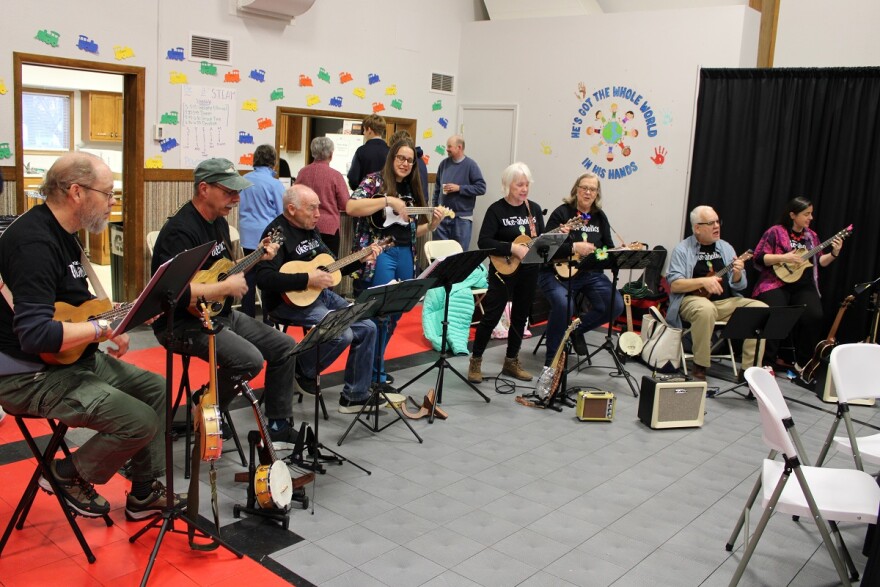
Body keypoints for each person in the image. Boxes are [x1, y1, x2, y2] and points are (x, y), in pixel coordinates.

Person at [0, 152, 177, 520]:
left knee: (157, 390)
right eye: (108, 193)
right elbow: (35, 334)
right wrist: (100, 329)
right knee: (139, 420)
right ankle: (68, 474)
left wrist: (118, 318)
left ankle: (143, 492)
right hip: (28, 375)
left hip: (71, 359)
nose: (113, 202)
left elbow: (75, 308)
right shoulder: (34, 244)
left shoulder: (65, 235)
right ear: (76, 192)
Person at [150, 158, 299, 443]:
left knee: (285, 346)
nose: (237, 199)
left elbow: (222, 272)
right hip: (182, 323)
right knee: (250, 360)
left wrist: (257, 256)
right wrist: (224, 287)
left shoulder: (217, 222)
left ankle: (277, 425)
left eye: (237, 192)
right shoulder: (180, 231)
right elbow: (171, 293)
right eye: (229, 192)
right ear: (204, 189)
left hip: (219, 314)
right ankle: (208, 403)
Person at [255, 185, 383, 413]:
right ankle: (300, 370)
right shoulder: (276, 234)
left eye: (319, 208)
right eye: (312, 208)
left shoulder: (310, 229)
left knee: (367, 326)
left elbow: (332, 267)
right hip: (286, 303)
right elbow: (264, 279)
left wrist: (360, 260)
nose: (318, 215)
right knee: (341, 333)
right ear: (292, 209)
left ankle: (355, 396)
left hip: (318, 295)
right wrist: (307, 279)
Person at [346, 138, 443, 385]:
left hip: (405, 254)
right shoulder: (374, 181)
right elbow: (351, 207)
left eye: (410, 160)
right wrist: (388, 200)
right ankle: (372, 372)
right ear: (392, 158)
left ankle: (376, 365)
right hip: (381, 253)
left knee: (397, 312)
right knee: (379, 312)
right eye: (401, 158)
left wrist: (432, 225)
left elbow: (410, 231)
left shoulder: (412, 188)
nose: (405, 163)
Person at [666, 205, 766, 382]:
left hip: (724, 303)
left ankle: (749, 372)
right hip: (691, 301)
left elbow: (740, 286)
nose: (717, 226)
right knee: (706, 309)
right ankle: (700, 365)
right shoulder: (682, 249)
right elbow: (675, 285)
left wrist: (737, 273)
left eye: (718, 222)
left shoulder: (725, 248)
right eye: (711, 223)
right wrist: (703, 281)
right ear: (697, 228)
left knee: (761, 309)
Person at [468, 162, 544, 384]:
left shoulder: (534, 210)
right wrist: (512, 248)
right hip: (503, 270)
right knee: (491, 316)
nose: (524, 189)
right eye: (519, 184)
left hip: (529, 270)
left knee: (521, 316)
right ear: (507, 185)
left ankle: (511, 360)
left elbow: (540, 240)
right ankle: (476, 360)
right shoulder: (496, 210)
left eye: (527, 184)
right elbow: (484, 241)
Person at [537, 172, 624, 365]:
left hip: (589, 273)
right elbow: (544, 248)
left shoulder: (600, 217)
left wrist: (612, 253)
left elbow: (607, 249)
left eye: (592, 189)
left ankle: (574, 332)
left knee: (615, 304)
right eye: (584, 188)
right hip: (555, 273)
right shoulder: (562, 213)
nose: (588, 192)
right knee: (564, 305)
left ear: (597, 193)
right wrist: (574, 248)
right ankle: (552, 361)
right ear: (576, 190)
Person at [752, 197, 844, 370]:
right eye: (806, 214)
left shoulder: (811, 237)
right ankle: (768, 363)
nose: (811, 218)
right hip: (775, 281)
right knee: (777, 312)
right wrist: (783, 257)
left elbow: (820, 261)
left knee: (814, 315)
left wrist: (834, 253)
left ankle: (803, 363)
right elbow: (759, 257)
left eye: (811, 214)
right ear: (793, 215)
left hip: (802, 284)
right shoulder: (776, 231)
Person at [238, 144, 284, 319]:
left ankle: (246, 317)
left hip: (247, 234)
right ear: (274, 161)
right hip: (266, 236)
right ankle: (268, 317)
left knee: (248, 276)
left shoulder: (244, 180)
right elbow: (282, 213)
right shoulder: (274, 184)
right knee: (267, 276)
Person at [295, 137, 350, 257]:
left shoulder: (302, 172)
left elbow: (295, 197)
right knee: (329, 264)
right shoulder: (335, 175)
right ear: (331, 154)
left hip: (304, 225)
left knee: (305, 263)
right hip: (329, 229)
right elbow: (345, 204)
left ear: (312, 152)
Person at [433, 135, 486, 251]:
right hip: (442, 217)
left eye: (449, 147)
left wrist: (460, 188)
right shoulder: (443, 164)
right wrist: (435, 208)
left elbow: (481, 188)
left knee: (459, 254)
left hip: (462, 220)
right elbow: (437, 189)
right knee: (439, 254)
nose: (447, 149)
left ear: (459, 147)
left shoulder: (471, 165)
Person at [346, 114, 388, 190]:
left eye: (364, 130)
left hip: (365, 195)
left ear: (369, 130)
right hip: (386, 195)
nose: (364, 133)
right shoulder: (391, 151)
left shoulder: (361, 151)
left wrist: (359, 190)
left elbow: (353, 179)